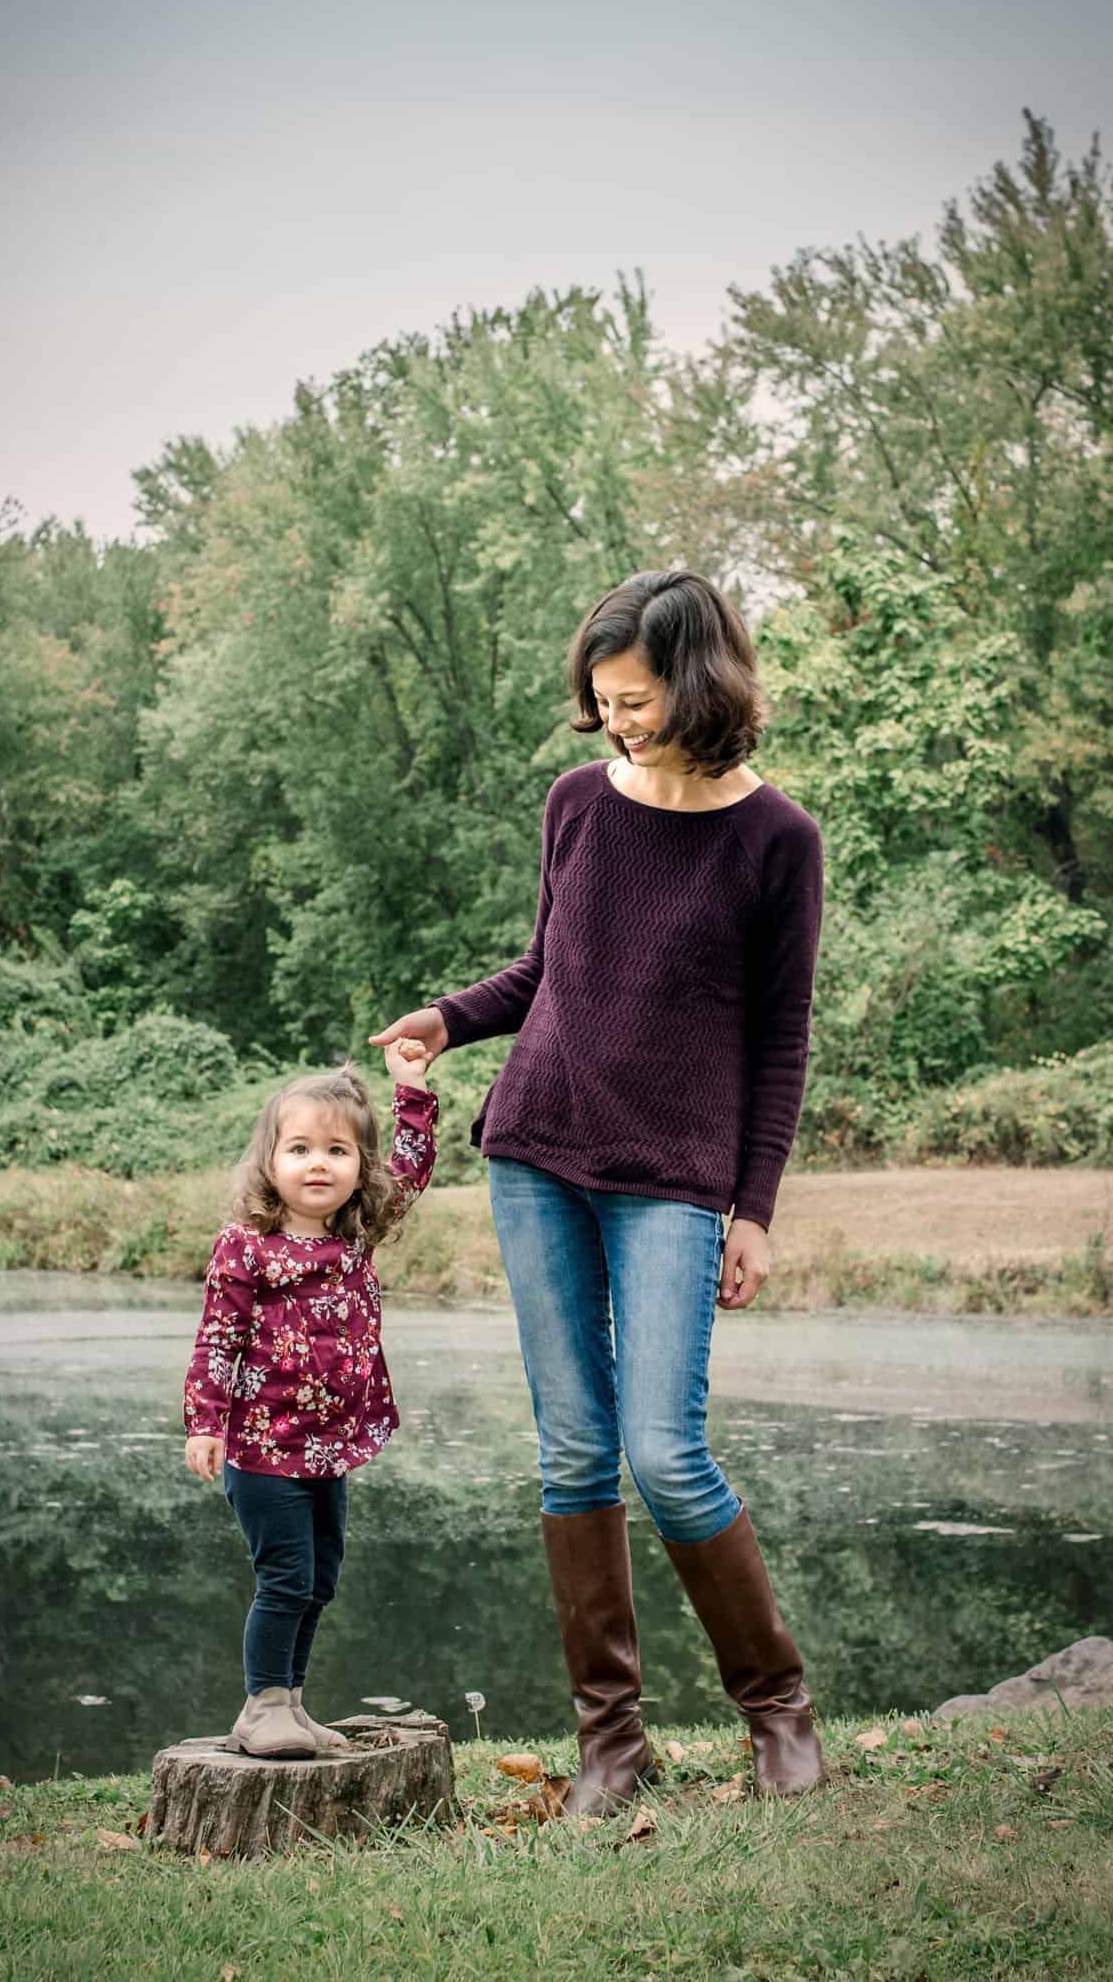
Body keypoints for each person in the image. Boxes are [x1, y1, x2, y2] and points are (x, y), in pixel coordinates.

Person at [370, 567, 824, 1810]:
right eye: (602, 700)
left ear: (699, 684)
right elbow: (546, 968)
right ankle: (611, 1745)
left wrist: (754, 1208)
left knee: (666, 1453)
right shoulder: (576, 803)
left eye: (634, 700)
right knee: (573, 1449)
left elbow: (781, 1037)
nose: (613, 721)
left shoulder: (777, 839)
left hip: (674, 1175)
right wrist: (449, 1020)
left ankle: (778, 1712)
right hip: (538, 1151)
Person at [182, 1043, 437, 1759]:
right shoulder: (247, 1246)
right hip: (264, 1449)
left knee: (319, 1581)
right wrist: (205, 1422)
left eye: (336, 1150)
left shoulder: (355, 1238)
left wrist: (411, 1089)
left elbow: (413, 1169)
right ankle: (261, 1705)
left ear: (360, 1167)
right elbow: (218, 1338)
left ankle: (290, 1706)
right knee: (285, 1579)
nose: (317, 1164)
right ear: (270, 1162)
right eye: (299, 1149)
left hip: (330, 1448)